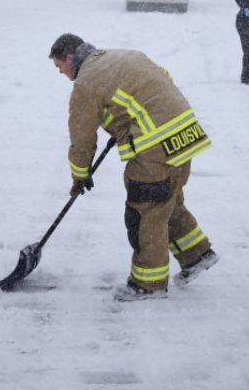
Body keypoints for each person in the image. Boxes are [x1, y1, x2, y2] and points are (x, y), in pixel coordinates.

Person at [49, 33, 219, 301]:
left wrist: (80, 174)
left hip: (154, 146)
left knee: (145, 213)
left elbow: (81, 137)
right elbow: (160, 83)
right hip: (186, 134)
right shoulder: (127, 55)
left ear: (70, 57)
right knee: (167, 199)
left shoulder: (86, 83)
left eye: (60, 66)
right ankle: (196, 254)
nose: (61, 72)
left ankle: (147, 285)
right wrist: (125, 122)